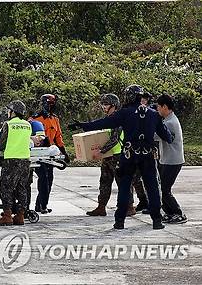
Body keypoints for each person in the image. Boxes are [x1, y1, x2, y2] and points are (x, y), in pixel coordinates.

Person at [69, 85, 173, 230]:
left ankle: (119, 222)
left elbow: (103, 123)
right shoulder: (154, 114)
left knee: (124, 188)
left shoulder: (125, 113)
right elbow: (167, 137)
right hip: (147, 156)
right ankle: (157, 221)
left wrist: (83, 125)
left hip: (129, 155)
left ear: (129, 97)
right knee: (152, 188)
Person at [86, 94, 145, 217]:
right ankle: (101, 207)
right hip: (108, 156)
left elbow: (114, 139)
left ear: (114, 105)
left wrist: (101, 151)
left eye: (106, 104)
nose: (104, 107)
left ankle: (129, 207)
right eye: (103, 104)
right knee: (104, 181)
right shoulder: (109, 118)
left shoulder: (119, 118)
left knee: (123, 182)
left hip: (118, 155)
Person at [0, 100, 32, 226]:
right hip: (25, 161)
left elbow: (0, 145)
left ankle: (7, 215)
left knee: (6, 188)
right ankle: (20, 215)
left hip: (12, 161)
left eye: (9, 110)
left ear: (13, 112)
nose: (8, 113)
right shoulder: (28, 125)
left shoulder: (8, 124)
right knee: (22, 187)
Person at [32, 94, 68, 214]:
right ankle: (43, 206)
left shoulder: (55, 119)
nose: (51, 107)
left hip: (50, 154)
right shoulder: (34, 120)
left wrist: (64, 153)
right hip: (38, 154)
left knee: (49, 179)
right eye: (49, 104)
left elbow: (58, 138)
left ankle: (41, 204)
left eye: (52, 104)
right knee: (43, 178)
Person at [155, 94, 187, 224]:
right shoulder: (168, 120)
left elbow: (156, 136)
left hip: (173, 161)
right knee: (162, 188)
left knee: (165, 190)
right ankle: (169, 213)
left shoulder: (170, 122)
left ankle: (178, 213)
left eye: (158, 107)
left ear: (165, 107)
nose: (157, 109)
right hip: (166, 160)